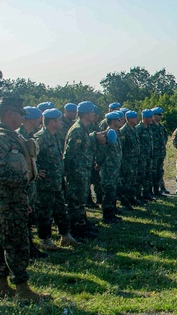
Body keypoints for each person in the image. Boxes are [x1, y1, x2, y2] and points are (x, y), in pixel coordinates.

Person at [0, 96, 49, 301]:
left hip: (13, 196)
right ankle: (22, 289)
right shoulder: (1, 138)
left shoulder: (9, 135)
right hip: (7, 197)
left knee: (3, 241)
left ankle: (1, 286)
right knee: (16, 242)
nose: (22, 118)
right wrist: (19, 181)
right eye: (20, 113)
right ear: (9, 113)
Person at [33, 108, 75, 249]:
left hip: (57, 180)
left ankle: (65, 236)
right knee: (45, 212)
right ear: (51, 122)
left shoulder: (56, 136)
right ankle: (45, 240)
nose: (61, 122)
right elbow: (32, 158)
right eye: (58, 120)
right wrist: (36, 171)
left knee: (61, 210)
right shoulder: (40, 138)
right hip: (46, 183)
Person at [64, 102, 105, 240]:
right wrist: (69, 173)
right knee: (75, 202)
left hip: (83, 171)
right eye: (92, 112)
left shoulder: (84, 128)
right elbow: (69, 154)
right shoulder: (77, 130)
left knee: (81, 200)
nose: (94, 114)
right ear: (86, 114)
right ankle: (75, 230)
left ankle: (82, 226)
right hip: (76, 173)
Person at [98, 112, 123, 224]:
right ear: (113, 121)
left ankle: (112, 214)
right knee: (108, 192)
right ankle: (107, 216)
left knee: (112, 191)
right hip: (108, 169)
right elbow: (101, 153)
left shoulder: (115, 133)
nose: (121, 121)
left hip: (114, 168)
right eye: (118, 119)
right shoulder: (108, 134)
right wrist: (99, 164)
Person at [118, 110, 141, 208]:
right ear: (130, 119)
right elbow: (121, 147)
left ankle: (132, 198)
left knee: (132, 180)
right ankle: (125, 201)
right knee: (126, 181)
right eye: (135, 117)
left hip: (134, 160)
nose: (137, 119)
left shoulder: (134, 129)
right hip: (127, 160)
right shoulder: (123, 131)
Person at [135, 109, 155, 201]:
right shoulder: (138, 129)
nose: (152, 118)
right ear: (145, 118)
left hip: (149, 156)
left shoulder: (149, 128)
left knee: (148, 175)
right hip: (141, 157)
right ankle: (139, 195)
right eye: (150, 117)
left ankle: (147, 194)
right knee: (140, 176)